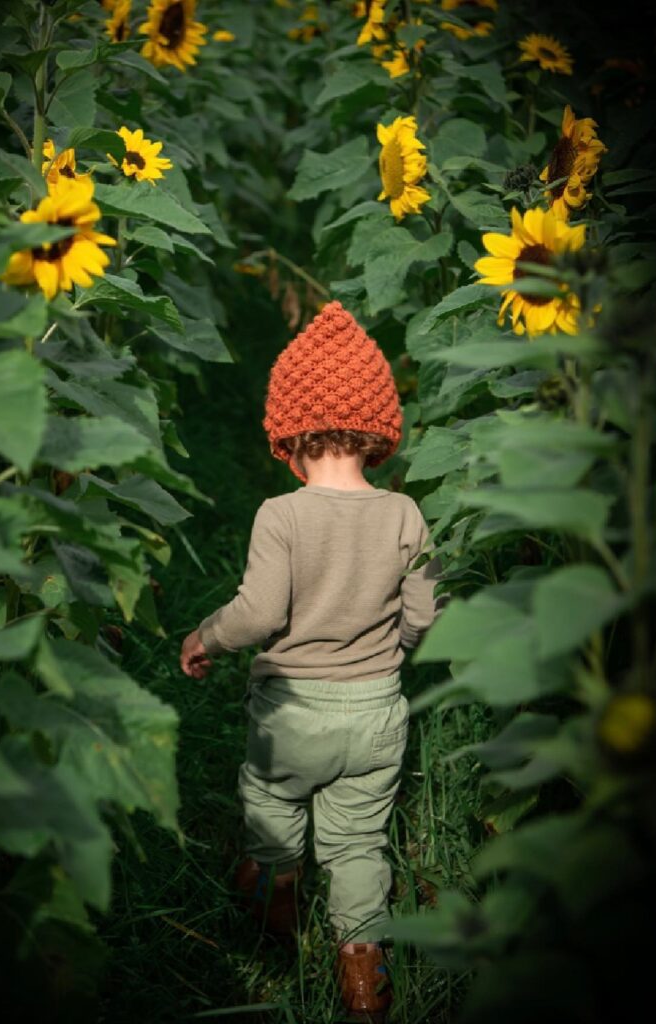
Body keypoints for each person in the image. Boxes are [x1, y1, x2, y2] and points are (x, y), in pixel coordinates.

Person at [179, 300, 443, 1022]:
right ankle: (363, 973)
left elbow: (259, 612)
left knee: (271, 803)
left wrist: (206, 635)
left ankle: (276, 892)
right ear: (376, 432)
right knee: (359, 839)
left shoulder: (281, 515)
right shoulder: (405, 515)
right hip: (376, 709)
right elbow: (422, 616)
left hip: (291, 710)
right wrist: (391, 654)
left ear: (290, 433)